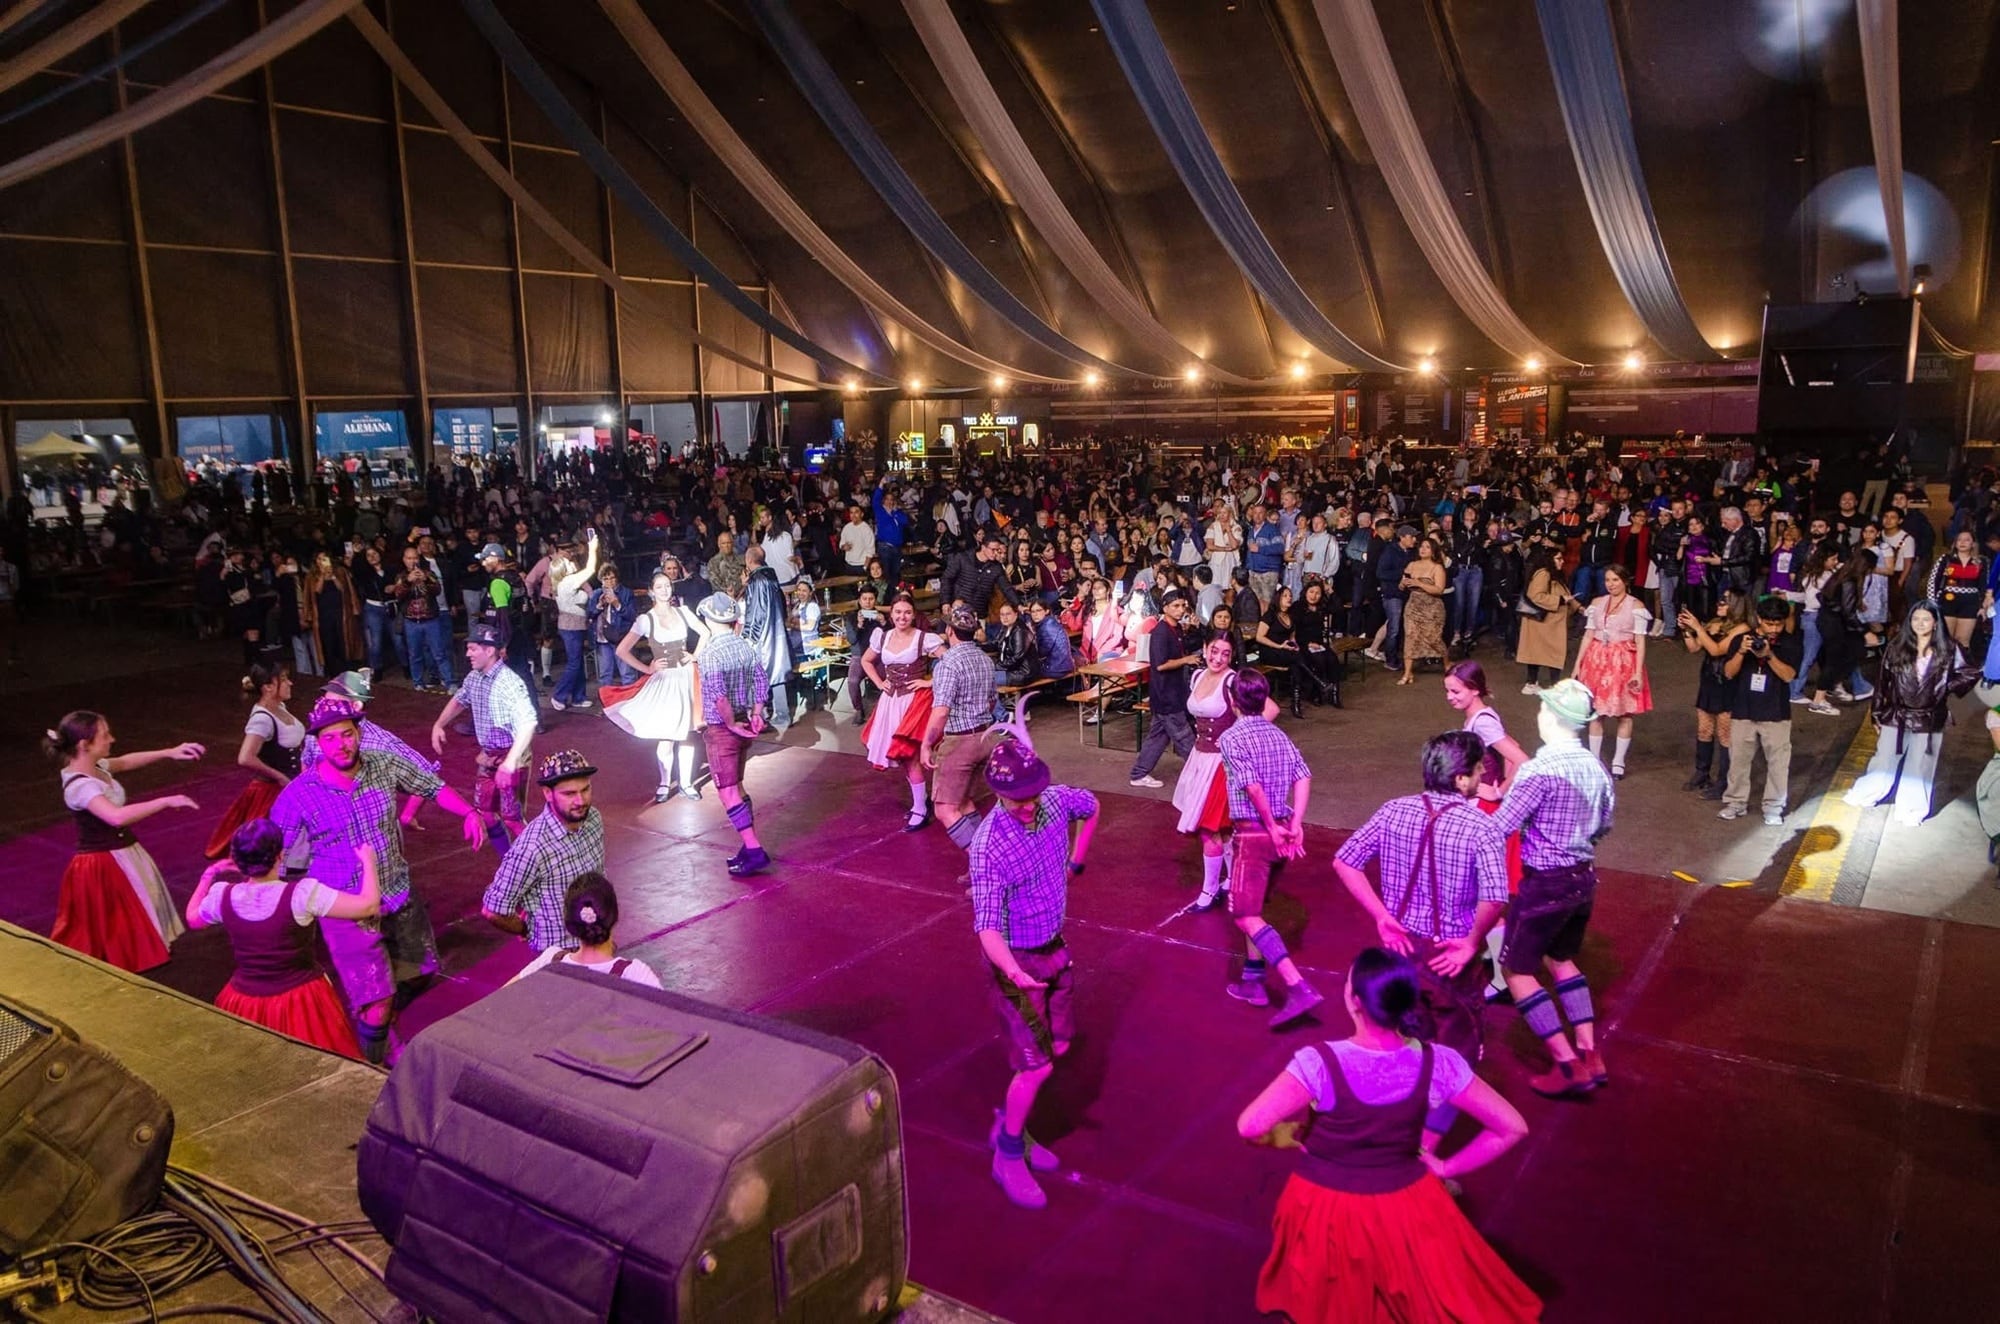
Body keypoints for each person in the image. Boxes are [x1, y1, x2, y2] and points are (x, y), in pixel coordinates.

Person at [1237, 947, 1538, 1324]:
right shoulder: (1439, 1062)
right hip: (1406, 1201)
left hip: (1325, 1208)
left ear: (1355, 1001)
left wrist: (1285, 1134)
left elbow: (1250, 1125)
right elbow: (1513, 1127)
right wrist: (1445, 1167)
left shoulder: (1319, 1063)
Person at [274, 695, 485, 1063]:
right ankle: (369, 1066)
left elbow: (432, 786)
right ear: (318, 744)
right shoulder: (299, 795)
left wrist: (468, 811)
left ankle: (380, 1026)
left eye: (347, 734)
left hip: (397, 893)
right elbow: (276, 853)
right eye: (330, 739)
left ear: (359, 733)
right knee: (377, 1001)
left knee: (423, 971)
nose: (341, 745)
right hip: (347, 911)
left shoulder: (384, 765)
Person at [1332, 731, 1511, 1152]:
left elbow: (1345, 861)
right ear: (1464, 779)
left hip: (1401, 953)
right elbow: (1496, 896)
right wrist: (1470, 943)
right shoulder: (1481, 827)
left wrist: (1383, 917)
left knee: (1399, 1047)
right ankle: (1422, 1153)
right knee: (1454, 1061)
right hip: (1449, 961)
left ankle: (1382, 1134)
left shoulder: (1394, 811)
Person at [968, 737, 1099, 1209]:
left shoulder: (1056, 801)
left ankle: (1010, 1123)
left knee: (1060, 1046)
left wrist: (1076, 859)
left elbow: (1092, 805)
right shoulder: (988, 848)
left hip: (1054, 950)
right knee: (1037, 1065)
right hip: (1017, 962)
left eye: (1033, 796)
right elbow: (986, 928)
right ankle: (1007, 1154)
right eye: (1017, 799)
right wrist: (1013, 975)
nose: (1028, 806)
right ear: (998, 794)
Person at [1490, 679, 1616, 1098]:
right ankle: (1589, 1050)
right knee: (1562, 959)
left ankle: (1566, 1063)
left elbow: (1502, 827)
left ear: (1552, 718)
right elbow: (1604, 825)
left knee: (1518, 970)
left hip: (1545, 881)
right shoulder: (1595, 767)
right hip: (1583, 877)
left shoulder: (1540, 770)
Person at [185, 821, 376, 1059]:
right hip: (301, 1002)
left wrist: (208, 876)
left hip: (245, 1001)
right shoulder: (301, 895)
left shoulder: (222, 895)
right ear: (280, 855)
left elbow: (192, 919)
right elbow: (368, 905)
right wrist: (369, 862)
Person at [45, 711, 203, 972]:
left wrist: (169, 752)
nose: (112, 739)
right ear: (84, 746)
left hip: (123, 852)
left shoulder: (97, 768)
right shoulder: (80, 786)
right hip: (102, 862)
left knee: (135, 907)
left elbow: (127, 762)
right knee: (115, 920)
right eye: (105, 735)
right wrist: (165, 801)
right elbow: (116, 817)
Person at [1217, 670, 1326, 1027]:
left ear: (1233, 701)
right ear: (1264, 700)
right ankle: (1253, 980)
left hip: (1255, 835)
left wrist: (1270, 827)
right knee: (1258, 908)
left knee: (1245, 915)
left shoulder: (1232, 738)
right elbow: (1305, 775)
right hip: (1281, 831)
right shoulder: (1278, 735)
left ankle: (1296, 985)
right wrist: (1295, 826)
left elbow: (1252, 787)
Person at [1843, 600, 1981, 825]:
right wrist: (1877, 713)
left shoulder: (1949, 648)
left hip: (1929, 717)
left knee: (1920, 766)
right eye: (1915, 618)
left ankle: (1912, 810)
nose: (1920, 623)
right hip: (1896, 714)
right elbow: (1883, 684)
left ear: (1935, 623)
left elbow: (1970, 673)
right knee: (1884, 758)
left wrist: (1947, 686)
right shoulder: (1897, 646)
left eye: (1925, 619)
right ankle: (1867, 794)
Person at [482, 749, 606, 951]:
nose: (580, 801)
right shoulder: (532, 847)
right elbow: (493, 910)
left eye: (585, 790)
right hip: (560, 956)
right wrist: (527, 930)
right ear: (548, 794)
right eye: (569, 794)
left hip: (597, 940)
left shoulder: (593, 820)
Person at [605, 572, 710, 803]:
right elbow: (621, 650)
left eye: (667, 585)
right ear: (652, 591)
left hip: (684, 677)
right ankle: (664, 782)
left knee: (686, 733)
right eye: (659, 586)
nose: (664, 590)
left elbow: (706, 632)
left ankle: (686, 782)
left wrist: (694, 656)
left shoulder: (683, 612)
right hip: (664, 680)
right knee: (666, 734)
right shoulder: (646, 619)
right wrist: (647, 668)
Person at [431, 622, 539, 844]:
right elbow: (460, 699)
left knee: (512, 819)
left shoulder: (509, 682)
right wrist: (439, 724)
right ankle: (509, 861)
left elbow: (528, 722)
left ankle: (534, 863)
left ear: (489, 651)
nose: (468, 654)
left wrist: (509, 763)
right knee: (487, 813)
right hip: (489, 754)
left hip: (512, 755)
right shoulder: (474, 677)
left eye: (473, 649)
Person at [693, 592, 772, 876]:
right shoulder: (746, 647)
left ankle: (753, 848)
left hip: (723, 728)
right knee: (737, 785)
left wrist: (729, 724)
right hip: (743, 724)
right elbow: (761, 681)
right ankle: (747, 843)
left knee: (727, 791)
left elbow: (719, 697)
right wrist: (755, 713)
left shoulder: (710, 654)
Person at [921, 605, 1005, 854]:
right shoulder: (984, 660)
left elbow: (941, 711)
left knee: (945, 808)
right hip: (986, 737)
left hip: (960, 740)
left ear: (949, 630)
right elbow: (992, 702)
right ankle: (984, 857)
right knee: (965, 801)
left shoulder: (947, 663)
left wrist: (926, 744)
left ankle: (985, 865)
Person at [1716, 596, 1803, 827]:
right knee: (1738, 761)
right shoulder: (1742, 640)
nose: (1774, 629)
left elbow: (1788, 675)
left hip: (1776, 714)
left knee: (1778, 763)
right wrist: (1742, 652)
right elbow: (1728, 672)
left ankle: (1774, 806)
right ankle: (1735, 802)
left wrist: (1769, 655)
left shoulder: (1791, 642)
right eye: (1769, 624)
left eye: (1778, 624)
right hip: (1743, 710)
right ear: (1759, 620)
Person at [204, 661, 304, 858]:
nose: (290, 683)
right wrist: (279, 776)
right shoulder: (262, 719)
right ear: (268, 687)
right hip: (274, 792)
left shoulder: (280, 706)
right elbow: (245, 757)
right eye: (283, 680)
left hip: (293, 785)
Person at [861, 595, 946, 826]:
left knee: (910, 757)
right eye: (898, 612)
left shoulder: (923, 638)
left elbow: (949, 661)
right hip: (891, 702)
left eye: (907, 612)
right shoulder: (883, 636)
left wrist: (929, 682)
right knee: (902, 756)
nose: (902, 617)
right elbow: (866, 661)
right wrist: (879, 683)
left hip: (914, 703)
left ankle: (920, 808)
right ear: (891, 614)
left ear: (913, 614)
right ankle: (921, 802)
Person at [507, 872, 662, 988]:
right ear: (614, 916)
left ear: (569, 923)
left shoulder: (550, 960)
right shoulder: (635, 975)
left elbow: (497, 1002)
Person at [1572, 564, 1652, 778]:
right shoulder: (1597, 603)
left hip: (1623, 661)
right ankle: (1594, 760)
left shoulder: (1636, 606)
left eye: (1615, 580)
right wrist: (1577, 665)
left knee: (1624, 713)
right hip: (1597, 660)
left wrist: (1637, 672)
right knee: (1596, 712)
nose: (1611, 584)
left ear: (1625, 581)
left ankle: (1618, 761)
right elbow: (1588, 635)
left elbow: (1640, 641)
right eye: (1608, 580)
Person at [1678, 589, 1751, 799]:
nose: (1719, 602)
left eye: (1725, 600)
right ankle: (1702, 772)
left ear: (1736, 604)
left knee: (1725, 735)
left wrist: (1698, 628)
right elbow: (1694, 648)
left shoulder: (1742, 629)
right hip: (1709, 681)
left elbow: (1717, 650)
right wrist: (1687, 630)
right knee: (1704, 730)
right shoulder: (1713, 623)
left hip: (1727, 683)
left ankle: (1724, 781)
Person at [1127, 588, 1201, 789]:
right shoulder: (1160, 632)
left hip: (1170, 693)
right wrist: (1186, 659)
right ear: (1165, 608)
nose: (1180, 610)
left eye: (1182, 605)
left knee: (1158, 738)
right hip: (1167, 695)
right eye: (1175, 606)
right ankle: (1202, 774)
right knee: (1185, 738)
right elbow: (1160, 665)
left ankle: (1138, 773)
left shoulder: (1175, 628)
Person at [1444, 660, 1529, 784]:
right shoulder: (1483, 715)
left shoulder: (1483, 723)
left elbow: (1522, 760)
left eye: (1455, 692)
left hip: (1482, 796)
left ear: (1475, 690)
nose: (1449, 697)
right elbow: (1513, 743)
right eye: (1447, 691)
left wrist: (1500, 792)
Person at [548, 531, 601, 711]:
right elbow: (590, 570)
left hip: (576, 625)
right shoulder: (567, 582)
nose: (571, 563)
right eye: (568, 563)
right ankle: (559, 695)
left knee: (576, 662)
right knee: (574, 663)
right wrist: (592, 549)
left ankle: (578, 696)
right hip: (571, 627)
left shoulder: (564, 582)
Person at [1516, 545, 1574, 693]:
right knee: (1549, 653)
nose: (1562, 561)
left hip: (1548, 624)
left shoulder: (1554, 575)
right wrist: (1560, 600)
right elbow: (1535, 595)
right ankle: (1548, 685)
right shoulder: (1544, 574)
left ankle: (1535, 683)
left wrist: (1578, 606)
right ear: (1550, 559)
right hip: (1544, 623)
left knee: (1542, 654)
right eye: (1558, 558)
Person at [1396, 536, 1448, 684]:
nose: (1423, 549)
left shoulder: (1437, 567)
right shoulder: (1412, 565)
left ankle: (1447, 664)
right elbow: (1402, 584)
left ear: (1433, 551)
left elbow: (1439, 589)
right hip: (1413, 605)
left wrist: (1419, 582)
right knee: (1410, 636)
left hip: (1432, 607)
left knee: (1434, 638)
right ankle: (1407, 673)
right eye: (1421, 547)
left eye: (1427, 547)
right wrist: (1404, 584)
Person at [1927, 529, 1986, 655]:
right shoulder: (1946, 559)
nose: (1962, 542)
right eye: (1959, 539)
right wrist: (1932, 605)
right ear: (1955, 543)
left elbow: (1984, 586)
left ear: (1973, 544)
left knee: (1963, 642)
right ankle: (1943, 669)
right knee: (1945, 640)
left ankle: (1960, 671)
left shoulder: (1981, 562)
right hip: (1947, 602)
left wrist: (1983, 606)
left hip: (1970, 603)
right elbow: (1933, 582)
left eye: (1967, 540)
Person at [587, 562, 640, 688]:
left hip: (622, 638)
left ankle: (630, 702)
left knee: (628, 673)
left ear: (617, 578)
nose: (609, 581)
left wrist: (617, 605)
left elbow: (632, 616)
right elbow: (589, 615)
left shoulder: (626, 593)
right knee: (605, 674)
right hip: (603, 639)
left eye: (612, 578)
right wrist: (599, 606)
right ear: (601, 580)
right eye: (605, 579)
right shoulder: (596, 594)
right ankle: (608, 703)